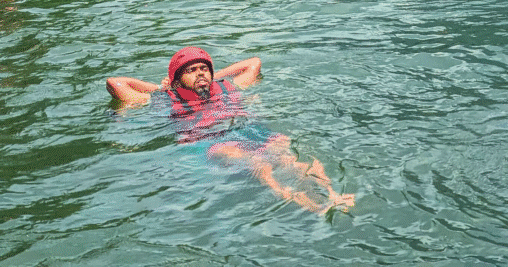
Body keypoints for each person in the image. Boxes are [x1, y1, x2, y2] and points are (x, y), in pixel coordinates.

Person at [106, 47, 353, 214]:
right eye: (191, 70)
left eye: (204, 68)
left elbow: (254, 63)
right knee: (253, 160)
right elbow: (116, 83)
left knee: (287, 152)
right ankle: (295, 198)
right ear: (177, 79)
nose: (200, 72)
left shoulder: (227, 87)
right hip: (208, 140)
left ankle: (332, 194)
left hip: (248, 130)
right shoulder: (165, 99)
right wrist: (165, 86)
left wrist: (210, 78)